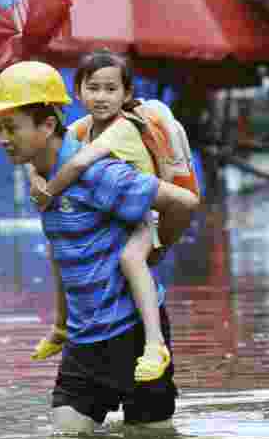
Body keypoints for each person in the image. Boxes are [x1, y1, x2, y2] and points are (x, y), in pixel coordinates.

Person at [0, 61, 199, 433]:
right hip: (83, 341)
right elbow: (59, 258)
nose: (2, 139)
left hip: (133, 337)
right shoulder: (45, 180)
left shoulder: (99, 174)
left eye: (11, 127)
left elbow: (184, 202)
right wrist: (60, 326)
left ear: (47, 125)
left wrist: (157, 249)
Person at [25, 50, 198, 384]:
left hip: (146, 213)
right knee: (56, 249)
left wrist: (47, 196)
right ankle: (61, 328)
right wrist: (35, 178)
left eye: (110, 89)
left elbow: (75, 164)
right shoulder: (84, 126)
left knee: (131, 259)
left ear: (127, 94)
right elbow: (44, 151)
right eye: (93, 88)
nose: (101, 97)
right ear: (79, 92)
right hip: (120, 216)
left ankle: (153, 343)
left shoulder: (122, 128)